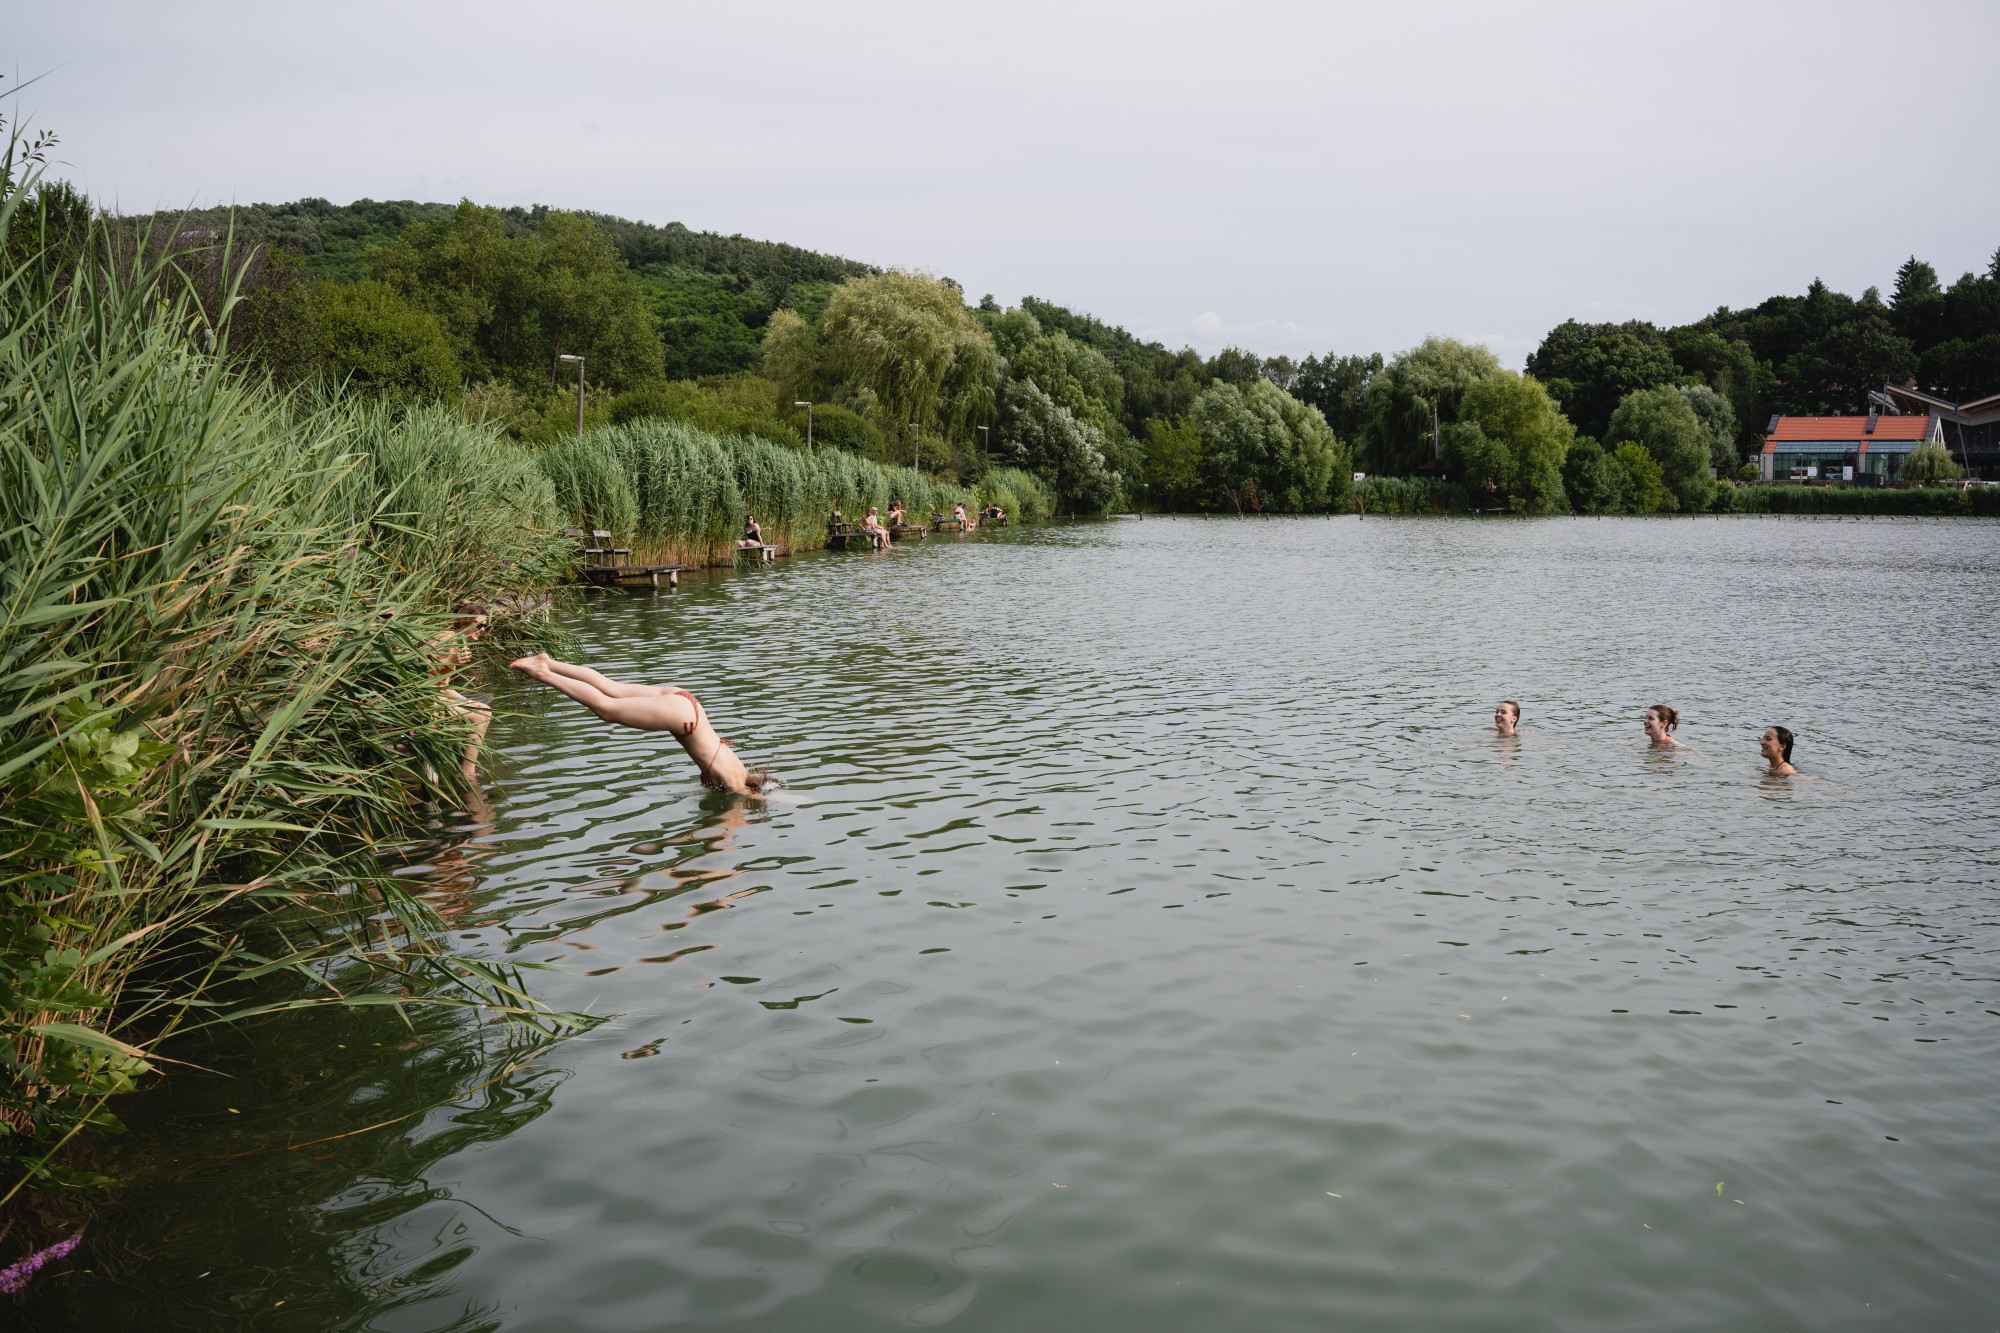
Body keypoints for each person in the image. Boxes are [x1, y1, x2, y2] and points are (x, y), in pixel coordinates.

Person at [508, 653, 767, 796]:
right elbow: (745, 806)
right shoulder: (735, 785)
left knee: (611, 687)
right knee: (604, 709)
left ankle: (548, 661)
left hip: (687, 702)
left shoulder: (741, 769)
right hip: (684, 719)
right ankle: (542, 673)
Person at [433, 601, 493, 781]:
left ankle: (466, 770)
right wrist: (449, 659)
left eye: (485, 626)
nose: (483, 629)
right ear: (464, 621)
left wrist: (463, 701)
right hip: (421, 699)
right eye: (479, 624)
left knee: (481, 707)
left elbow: (441, 684)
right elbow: (417, 667)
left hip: (434, 695)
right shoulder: (447, 638)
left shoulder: (459, 642)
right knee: (482, 714)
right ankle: (467, 774)